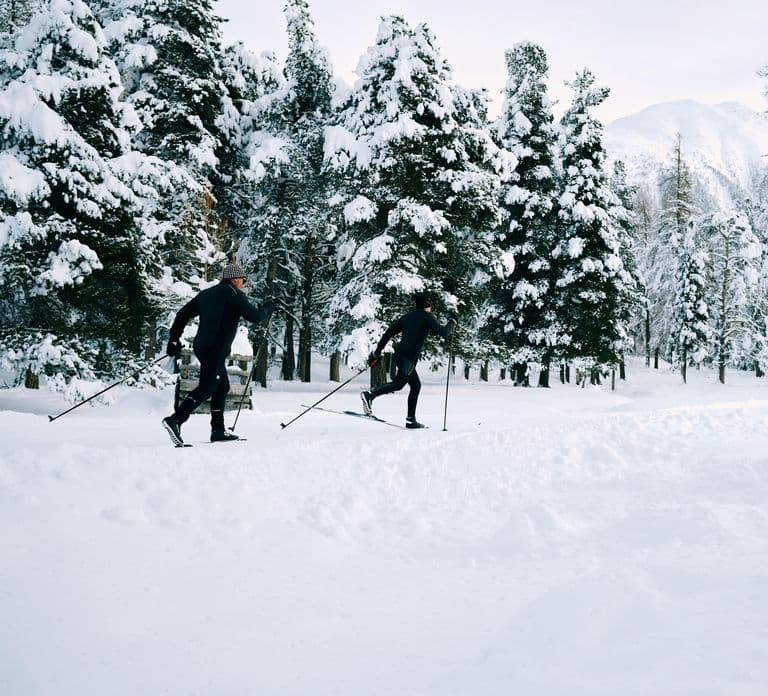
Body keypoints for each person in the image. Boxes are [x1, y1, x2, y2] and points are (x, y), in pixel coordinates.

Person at [162, 264, 274, 446]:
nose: (243, 283)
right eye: (242, 279)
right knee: (208, 386)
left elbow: (182, 314)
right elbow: (254, 316)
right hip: (215, 348)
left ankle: (218, 430)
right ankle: (175, 420)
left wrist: (173, 339)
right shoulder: (233, 294)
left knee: (221, 387)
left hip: (203, 346)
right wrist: (268, 308)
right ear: (234, 278)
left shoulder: (207, 294)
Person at [361, 292, 455, 429]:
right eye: (430, 304)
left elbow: (389, 333)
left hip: (400, 355)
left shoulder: (407, 317)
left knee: (415, 386)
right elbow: (444, 333)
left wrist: (377, 352)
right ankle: (370, 395)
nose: (431, 307)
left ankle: (411, 420)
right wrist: (452, 322)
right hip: (408, 359)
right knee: (399, 384)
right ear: (426, 304)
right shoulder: (426, 317)